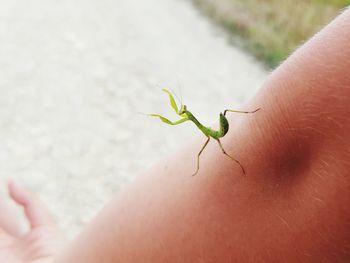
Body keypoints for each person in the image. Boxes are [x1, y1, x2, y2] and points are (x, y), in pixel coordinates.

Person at [1, 7, 350, 263]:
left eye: (180, 111)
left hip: (225, 133)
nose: (180, 113)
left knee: (221, 133)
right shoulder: (197, 127)